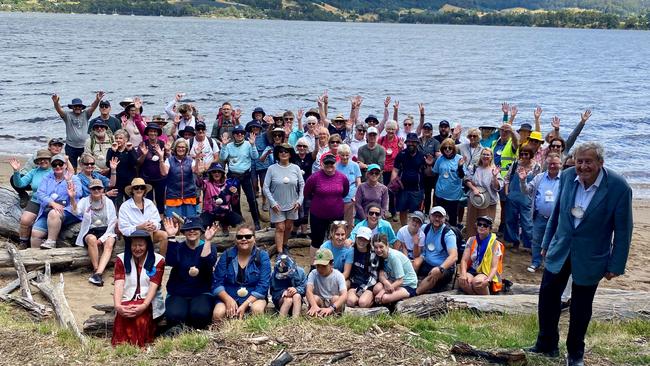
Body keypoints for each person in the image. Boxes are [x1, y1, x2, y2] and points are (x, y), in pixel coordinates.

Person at [527, 142, 633, 366]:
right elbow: (556, 213)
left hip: (591, 254)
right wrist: (546, 243)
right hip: (561, 248)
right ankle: (546, 344)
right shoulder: (566, 177)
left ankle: (575, 353)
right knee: (547, 296)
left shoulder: (619, 187)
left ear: (600, 163)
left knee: (581, 306)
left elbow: (623, 230)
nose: (583, 166)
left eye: (589, 162)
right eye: (579, 161)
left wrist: (616, 264)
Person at [111, 230, 165, 347]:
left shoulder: (158, 260)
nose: (137, 248)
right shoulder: (121, 259)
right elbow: (119, 283)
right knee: (123, 315)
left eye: (141, 245)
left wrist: (144, 305)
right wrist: (118, 306)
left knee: (139, 317)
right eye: (134, 245)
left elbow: (154, 285)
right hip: (127, 298)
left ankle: (139, 345)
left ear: (147, 245)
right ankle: (121, 346)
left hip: (149, 300)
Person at [162, 217, 218, 330]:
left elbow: (207, 263)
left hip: (202, 291)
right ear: (183, 232)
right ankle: (177, 335)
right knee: (175, 315)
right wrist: (171, 236)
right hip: (178, 292)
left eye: (195, 228)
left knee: (200, 313)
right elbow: (171, 261)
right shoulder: (178, 247)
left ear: (201, 231)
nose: (192, 231)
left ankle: (197, 335)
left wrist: (207, 241)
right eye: (188, 229)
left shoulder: (209, 246)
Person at [212, 225, 271, 321]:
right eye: (239, 237)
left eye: (248, 236)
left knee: (257, 310)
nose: (244, 239)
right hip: (229, 294)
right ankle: (224, 334)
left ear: (254, 239)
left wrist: (245, 305)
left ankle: (254, 333)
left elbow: (263, 285)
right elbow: (217, 282)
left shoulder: (262, 256)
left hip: (253, 297)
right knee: (218, 313)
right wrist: (228, 300)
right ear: (235, 240)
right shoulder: (227, 255)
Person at [519, 152, 562, 273]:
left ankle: (550, 264)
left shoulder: (564, 179)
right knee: (537, 240)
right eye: (549, 163)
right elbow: (526, 191)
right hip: (540, 217)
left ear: (560, 164)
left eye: (555, 164)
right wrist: (523, 181)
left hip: (557, 218)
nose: (552, 166)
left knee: (555, 241)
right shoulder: (539, 177)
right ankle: (536, 262)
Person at [303, 153, 349, 266]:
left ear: (335, 163)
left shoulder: (342, 177)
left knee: (336, 239)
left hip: (337, 214)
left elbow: (344, 192)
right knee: (316, 241)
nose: (329, 165)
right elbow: (306, 193)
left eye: (332, 163)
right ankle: (313, 266)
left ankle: (333, 264)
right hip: (318, 215)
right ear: (322, 164)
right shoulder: (314, 177)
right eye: (326, 163)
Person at [31, 154, 82, 249]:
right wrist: (52, 203)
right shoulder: (47, 177)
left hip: (69, 210)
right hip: (48, 210)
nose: (58, 166)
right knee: (35, 233)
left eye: (60, 164)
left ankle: (51, 241)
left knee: (54, 213)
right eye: (55, 164)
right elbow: (40, 193)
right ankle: (36, 257)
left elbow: (78, 194)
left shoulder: (74, 178)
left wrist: (69, 181)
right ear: (52, 166)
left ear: (65, 165)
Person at [72, 179, 117, 286]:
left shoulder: (108, 202)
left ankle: (98, 274)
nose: (96, 190)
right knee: (91, 239)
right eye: (93, 188)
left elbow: (112, 222)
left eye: (99, 188)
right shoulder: (85, 201)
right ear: (89, 190)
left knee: (109, 242)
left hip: (106, 230)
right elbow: (76, 212)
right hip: (90, 230)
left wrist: (102, 239)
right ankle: (96, 269)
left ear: (103, 189)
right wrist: (72, 197)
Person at [263, 143, 304, 253]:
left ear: (290, 154)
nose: (283, 153)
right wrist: (272, 203)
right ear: (277, 154)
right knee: (280, 227)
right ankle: (280, 252)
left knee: (289, 226)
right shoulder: (271, 169)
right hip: (277, 205)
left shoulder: (296, 168)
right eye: (281, 151)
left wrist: (299, 201)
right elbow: (265, 187)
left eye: (286, 151)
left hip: (292, 204)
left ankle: (285, 245)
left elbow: (302, 185)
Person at [219, 125, 262, 231]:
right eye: (237, 133)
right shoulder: (228, 146)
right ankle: (239, 222)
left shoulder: (248, 144)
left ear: (244, 134)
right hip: (233, 176)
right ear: (233, 135)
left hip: (246, 176)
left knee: (251, 199)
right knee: (235, 201)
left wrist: (253, 145)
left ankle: (256, 222)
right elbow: (223, 157)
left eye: (242, 133)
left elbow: (255, 156)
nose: (239, 135)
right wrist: (223, 146)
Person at [9, 149, 52, 249]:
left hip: (50, 202)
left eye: (45, 159)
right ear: (37, 161)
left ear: (50, 160)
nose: (43, 161)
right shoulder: (34, 172)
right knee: (25, 220)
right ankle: (23, 243)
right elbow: (19, 184)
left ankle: (49, 241)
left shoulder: (54, 171)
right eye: (40, 159)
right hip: (36, 200)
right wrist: (16, 171)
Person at [51, 91, 103, 171]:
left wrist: (97, 100)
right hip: (71, 146)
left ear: (82, 107)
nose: (77, 108)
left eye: (79, 106)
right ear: (72, 107)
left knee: (87, 165)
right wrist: (55, 103)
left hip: (84, 146)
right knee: (72, 168)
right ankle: (73, 181)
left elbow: (93, 107)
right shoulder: (67, 115)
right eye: (75, 106)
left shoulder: (86, 114)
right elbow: (59, 109)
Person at [504, 144, 541, 250]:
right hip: (513, 196)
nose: (524, 156)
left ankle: (529, 244)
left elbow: (538, 182)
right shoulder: (515, 164)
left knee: (527, 222)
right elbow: (507, 178)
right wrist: (507, 192)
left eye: (526, 154)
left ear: (531, 155)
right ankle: (513, 241)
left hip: (527, 198)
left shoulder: (536, 167)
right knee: (511, 220)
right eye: (522, 154)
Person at [118, 178, 168, 255]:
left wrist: (153, 226)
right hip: (133, 236)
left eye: (142, 187)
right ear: (132, 190)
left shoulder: (150, 203)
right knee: (148, 231)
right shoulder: (125, 206)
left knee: (164, 235)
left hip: (150, 232)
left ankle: (161, 260)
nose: (139, 190)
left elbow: (157, 222)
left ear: (145, 190)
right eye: (136, 187)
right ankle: (150, 258)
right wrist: (139, 227)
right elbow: (124, 229)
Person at [11, 137, 66, 208]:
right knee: (14, 178)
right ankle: (23, 195)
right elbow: (22, 179)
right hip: (32, 183)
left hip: (51, 199)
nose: (57, 148)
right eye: (55, 145)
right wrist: (16, 171)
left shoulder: (58, 167)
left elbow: (67, 178)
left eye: (59, 146)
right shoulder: (36, 163)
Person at [415, 207, 458, 294]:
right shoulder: (425, 228)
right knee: (413, 263)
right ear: (430, 216)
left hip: (444, 268)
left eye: (440, 216)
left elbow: (454, 256)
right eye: (435, 216)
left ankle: (415, 293)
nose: (437, 219)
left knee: (435, 273)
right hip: (426, 263)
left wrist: (441, 268)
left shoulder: (448, 234)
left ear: (445, 218)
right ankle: (408, 285)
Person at [458, 216, 505, 295]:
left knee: (477, 282)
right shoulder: (471, 240)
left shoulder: (495, 243)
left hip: (486, 272)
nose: (482, 226)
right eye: (480, 224)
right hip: (473, 269)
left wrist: (488, 280)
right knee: (463, 281)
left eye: (485, 225)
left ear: (490, 228)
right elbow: (464, 260)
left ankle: (487, 300)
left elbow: (494, 267)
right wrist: (463, 274)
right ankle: (475, 299)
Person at [464, 148, 504, 238]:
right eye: (484, 154)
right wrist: (473, 188)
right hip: (474, 201)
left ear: (491, 157)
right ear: (480, 156)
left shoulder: (494, 170)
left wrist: (494, 177)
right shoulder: (474, 168)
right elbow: (466, 179)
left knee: (485, 226)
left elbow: (497, 187)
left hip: (489, 203)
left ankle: (484, 246)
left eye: (488, 155)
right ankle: (471, 244)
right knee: (472, 224)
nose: (485, 156)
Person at [197, 162, 242, 235]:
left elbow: (234, 202)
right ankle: (209, 229)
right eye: (214, 172)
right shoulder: (206, 183)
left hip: (225, 212)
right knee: (201, 225)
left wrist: (235, 193)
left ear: (222, 173)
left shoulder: (228, 184)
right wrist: (199, 174)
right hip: (209, 212)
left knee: (240, 222)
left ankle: (225, 224)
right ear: (211, 173)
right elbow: (198, 183)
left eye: (219, 172)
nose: (216, 173)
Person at [372, 234, 418, 305]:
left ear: (387, 245)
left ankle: (403, 297)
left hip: (407, 284)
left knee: (384, 298)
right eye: (376, 247)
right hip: (393, 280)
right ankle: (394, 298)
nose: (378, 250)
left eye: (381, 247)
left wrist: (383, 291)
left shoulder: (394, 257)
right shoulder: (380, 255)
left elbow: (400, 280)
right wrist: (386, 283)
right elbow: (381, 274)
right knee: (376, 289)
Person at [159, 138, 200, 218]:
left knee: (189, 224)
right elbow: (164, 173)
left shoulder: (191, 160)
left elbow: (196, 171)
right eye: (179, 147)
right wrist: (161, 158)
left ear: (186, 149)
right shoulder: (169, 160)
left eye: (183, 147)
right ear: (175, 148)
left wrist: (197, 158)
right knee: (173, 223)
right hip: (173, 197)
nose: (181, 149)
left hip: (189, 196)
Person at [392, 133, 426, 225]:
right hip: (403, 188)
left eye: (413, 142)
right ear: (406, 143)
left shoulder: (422, 155)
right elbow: (395, 170)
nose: (411, 144)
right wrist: (393, 182)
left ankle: (415, 228)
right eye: (409, 142)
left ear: (417, 143)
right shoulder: (401, 154)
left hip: (417, 189)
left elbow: (426, 172)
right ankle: (404, 227)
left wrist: (430, 164)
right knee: (402, 209)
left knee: (416, 212)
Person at [432, 138, 465, 226]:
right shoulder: (440, 159)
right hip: (440, 193)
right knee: (439, 216)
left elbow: (462, 176)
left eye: (450, 148)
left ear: (453, 149)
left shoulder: (459, 159)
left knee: (452, 217)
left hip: (453, 194)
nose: (447, 149)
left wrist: (460, 167)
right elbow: (435, 173)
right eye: (445, 148)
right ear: (442, 149)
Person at [306, 248, 347, 317]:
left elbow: (344, 295)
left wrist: (331, 308)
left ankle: (334, 317)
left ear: (331, 264)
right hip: (320, 301)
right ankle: (316, 314)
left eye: (324, 266)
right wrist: (314, 305)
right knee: (314, 298)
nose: (320, 269)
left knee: (336, 298)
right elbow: (308, 291)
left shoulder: (338, 275)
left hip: (333, 304)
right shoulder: (313, 273)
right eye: (318, 266)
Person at [136, 123, 167, 214]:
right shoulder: (143, 144)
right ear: (147, 133)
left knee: (160, 199)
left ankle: (161, 218)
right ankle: (148, 217)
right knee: (147, 200)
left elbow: (166, 160)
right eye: (150, 131)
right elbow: (138, 163)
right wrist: (144, 155)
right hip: (146, 177)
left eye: (155, 131)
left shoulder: (162, 144)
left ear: (158, 133)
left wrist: (167, 152)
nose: (153, 133)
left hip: (160, 177)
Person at [346, 227, 379, 308]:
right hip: (354, 283)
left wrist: (362, 289)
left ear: (369, 241)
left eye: (365, 240)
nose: (361, 242)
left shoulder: (373, 254)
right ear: (356, 237)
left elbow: (374, 276)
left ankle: (371, 300)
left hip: (368, 285)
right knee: (350, 302)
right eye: (360, 238)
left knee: (362, 303)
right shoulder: (351, 251)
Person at [106, 129, 138, 209]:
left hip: (129, 183)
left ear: (126, 139)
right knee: (117, 205)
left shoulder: (130, 149)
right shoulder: (111, 150)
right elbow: (108, 164)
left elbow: (135, 163)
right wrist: (113, 151)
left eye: (120, 138)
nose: (118, 140)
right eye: (116, 138)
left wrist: (130, 151)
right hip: (116, 183)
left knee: (130, 205)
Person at [378, 120, 403, 220]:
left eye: (393, 129)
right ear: (386, 129)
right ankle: (382, 211)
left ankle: (394, 212)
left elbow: (401, 156)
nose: (391, 131)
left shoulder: (398, 140)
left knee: (393, 191)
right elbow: (378, 151)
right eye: (389, 129)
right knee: (382, 191)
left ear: (396, 129)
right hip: (383, 169)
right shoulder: (381, 139)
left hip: (394, 169)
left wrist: (401, 148)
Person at [270, 254, 307, 318]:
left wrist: (296, 290)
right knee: (288, 300)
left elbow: (304, 287)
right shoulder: (274, 275)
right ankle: (281, 319)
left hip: (297, 299)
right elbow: (273, 292)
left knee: (297, 296)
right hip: (281, 300)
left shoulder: (300, 272)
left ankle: (295, 319)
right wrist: (283, 292)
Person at [336, 144, 362, 233]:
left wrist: (356, 196)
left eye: (347, 155)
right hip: (338, 198)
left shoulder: (355, 165)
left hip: (351, 198)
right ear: (339, 155)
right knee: (338, 222)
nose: (345, 157)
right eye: (342, 155)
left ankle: (348, 240)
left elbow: (358, 182)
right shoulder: (335, 166)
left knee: (349, 222)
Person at [293, 137, 315, 237]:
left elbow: (317, 151)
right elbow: (284, 149)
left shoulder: (310, 156)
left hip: (308, 187)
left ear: (307, 147)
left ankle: (304, 232)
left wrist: (317, 138)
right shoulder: (293, 157)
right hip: (296, 187)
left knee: (306, 209)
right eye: (299, 146)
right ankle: (294, 231)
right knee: (296, 208)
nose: (301, 148)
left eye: (304, 146)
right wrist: (286, 137)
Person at [418, 121, 440, 214]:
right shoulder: (417, 140)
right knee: (421, 193)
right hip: (420, 171)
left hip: (431, 172)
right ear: (422, 130)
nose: (426, 130)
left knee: (430, 194)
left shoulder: (435, 142)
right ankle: (422, 212)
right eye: (425, 128)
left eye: (429, 129)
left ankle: (430, 212)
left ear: (431, 131)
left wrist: (431, 162)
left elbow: (438, 156)